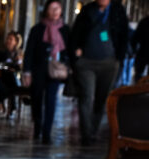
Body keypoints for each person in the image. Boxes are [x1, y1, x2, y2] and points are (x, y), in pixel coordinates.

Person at [69, 0, 129, 145]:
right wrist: (75, 55)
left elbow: (124, 34)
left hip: (109, 62)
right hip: (86, 62)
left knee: (102, 99)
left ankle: (93, 130)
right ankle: (86, 135)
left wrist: (118, 58)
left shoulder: (117, 11)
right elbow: (76, 32)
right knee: (86, 96)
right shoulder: (88, 10)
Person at [23, 0, 70, 144]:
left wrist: (68, 64)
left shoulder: (65, 29)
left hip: (55, 69)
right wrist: (27, 71)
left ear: (61, 11)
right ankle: (38, 125)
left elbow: (69, 49)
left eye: (57, 8)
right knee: (36, 98)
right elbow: (29, 51)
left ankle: (47, 131)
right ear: (46, 11)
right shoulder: (37, 29)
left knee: (51, 100)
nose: (55, 11)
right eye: (52, 8)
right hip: (38, 69)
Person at [132, 15, 149, 81]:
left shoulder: (144, 21)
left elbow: (135, 38)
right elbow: (136, 38)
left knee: (138, 76)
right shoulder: (144, 21)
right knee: (139, 75)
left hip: (142, 54)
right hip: (142, 54)